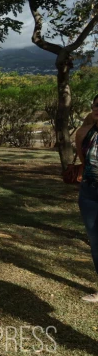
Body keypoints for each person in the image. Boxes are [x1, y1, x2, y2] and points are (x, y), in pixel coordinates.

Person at [76, 93, 98, 302]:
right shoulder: (89, 132)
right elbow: (83, 157)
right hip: (90, 192)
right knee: (95, 240)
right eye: (97, 106)